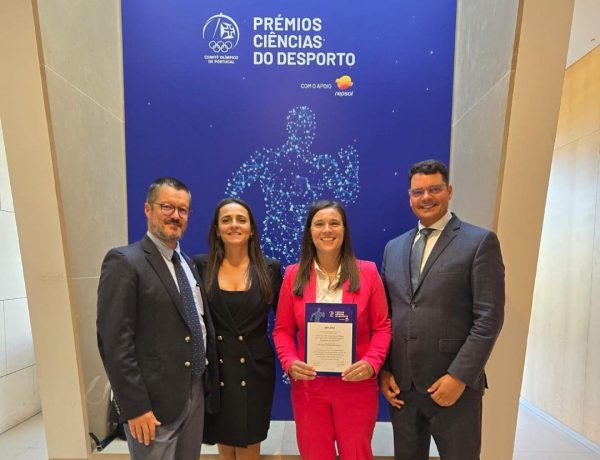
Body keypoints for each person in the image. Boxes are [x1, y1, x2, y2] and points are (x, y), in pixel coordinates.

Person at [380, 160, 505, 460]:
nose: (426, 197)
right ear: (409, 197)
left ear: (449, 191)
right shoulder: (393, 248)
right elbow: (386, 316)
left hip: (454, 388)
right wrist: (384, 370)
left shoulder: (479, 242)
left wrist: (459, 376)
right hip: (403, 389)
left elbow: (489, 318)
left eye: (434, 189)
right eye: (418, 192)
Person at [97, 177, 218, 460]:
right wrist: (135, 406)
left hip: (194, 390)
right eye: (167, 207)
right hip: (152, 404)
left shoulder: (187, 264)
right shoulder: (125, 261)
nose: (175, 215)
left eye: (183, 210)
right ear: (147, 209)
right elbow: (114, 342)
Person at [273, 200, 391, 460]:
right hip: (309, 389)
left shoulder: (368, 272)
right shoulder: (293, 275)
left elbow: (382, 328)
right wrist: (289, 361)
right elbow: (282, 330)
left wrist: (372, 363)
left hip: (356, 387)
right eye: (319, 224)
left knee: (357, 455)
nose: (327, 230)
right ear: (310, 232)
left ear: (344, 230)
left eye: (334, 223)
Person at [194, 198, 282, 460]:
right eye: (226, 220)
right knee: (225, 445)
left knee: (248, 445)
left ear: (251, 229)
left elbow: (287, 321)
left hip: (255, 371)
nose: (234, 225)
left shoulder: (270, 268)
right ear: (217, 229)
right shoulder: (200, 266)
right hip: (217, 368)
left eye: (241, 220)